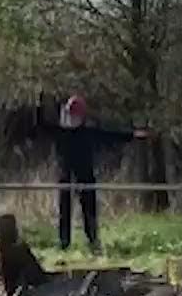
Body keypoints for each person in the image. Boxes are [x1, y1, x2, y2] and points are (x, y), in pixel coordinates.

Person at [40, 95, 151, 251]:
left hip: (84, 176)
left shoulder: (86, 132)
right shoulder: (60, 132)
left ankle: (92, 241)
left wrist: (131, 135)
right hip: (66, 176)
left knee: (89, 210)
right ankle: (64, 243)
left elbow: (110, 135)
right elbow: (39, 127)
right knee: (65, 210)